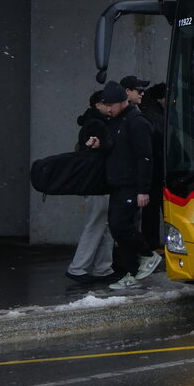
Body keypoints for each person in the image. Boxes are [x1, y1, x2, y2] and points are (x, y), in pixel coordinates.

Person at [99, 81, 163, 290]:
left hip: (131, 185)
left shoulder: (137, 123)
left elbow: (145, 157)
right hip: (118, 183)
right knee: (118, 228)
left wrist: (143, 190)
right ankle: (130, 272)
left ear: (123, 101)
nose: (109, 109)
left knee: (121, 225)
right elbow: (116, 147)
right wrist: (99, 144)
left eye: (112, 105)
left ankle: (147, 254)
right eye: (106, 105)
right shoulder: (116, 121)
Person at [65, 90, 116, 284]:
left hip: (96, 182)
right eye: (107, 103)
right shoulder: (97, 124)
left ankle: (102, 268)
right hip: (98, 182)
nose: (110, 107)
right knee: (97, 225)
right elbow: (104, 149)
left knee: (102, 226)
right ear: (98, 105)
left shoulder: (93, 123)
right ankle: (79, 267)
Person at [138, 82, 166, 251]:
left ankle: (151, 244)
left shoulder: (148, 112)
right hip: (156, 170)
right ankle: (152, 244)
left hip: (154, 169)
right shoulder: (153, 116)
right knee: (153, 208)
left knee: (151, 210)